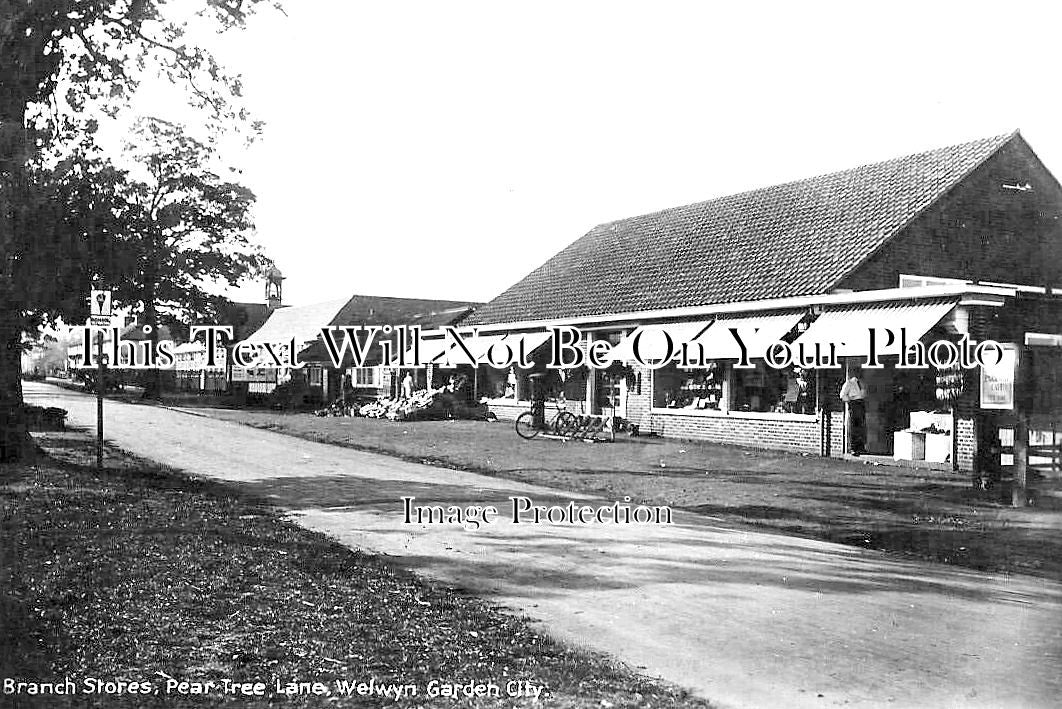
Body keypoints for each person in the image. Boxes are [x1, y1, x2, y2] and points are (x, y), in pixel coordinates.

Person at [840, 374, 867, 455]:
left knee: (861, 427)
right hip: (854, 404)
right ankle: (853, 448)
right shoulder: (849, 383)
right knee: (853, 427)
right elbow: (842, 395)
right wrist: (851, 400)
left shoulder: (862, 383)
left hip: (861, 404)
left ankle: (860, 447)